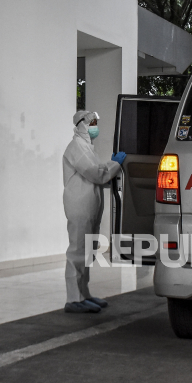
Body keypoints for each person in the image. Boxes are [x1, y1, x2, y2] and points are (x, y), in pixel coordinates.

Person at [62, 110, 126, 313]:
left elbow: (99, 175)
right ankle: (73, 299)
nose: (95, 127)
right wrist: (115, 163)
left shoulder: (87, 148)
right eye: (92, 123)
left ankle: (84, 294)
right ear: (82, 124)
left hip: (90, 205)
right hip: (80, 205)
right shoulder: (76, 148)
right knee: (77, 251)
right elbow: (96, 173)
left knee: (87, 250)